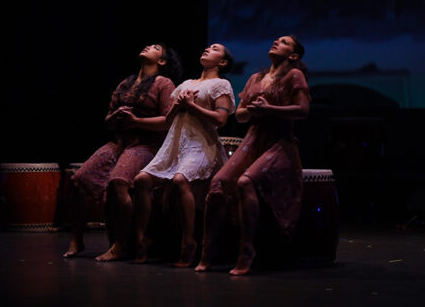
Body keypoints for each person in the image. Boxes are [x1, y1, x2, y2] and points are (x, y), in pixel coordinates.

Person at [195, 35, 310, 276]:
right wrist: (255, 110)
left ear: (294, 55)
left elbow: (302, 110)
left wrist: (270, 109)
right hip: (254, 138)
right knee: (218, 182)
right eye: (276, 40)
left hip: (280, 141)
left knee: (246, 181)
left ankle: (246, 251)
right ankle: (207, 251)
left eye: (284, 42)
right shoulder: (255, 78)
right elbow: (240, 116)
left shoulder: (294, 76)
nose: (276, 42)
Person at [63, 44, 182, 260]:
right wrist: (115, 117)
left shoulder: (163, 83)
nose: (147, 46)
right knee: (80, 179)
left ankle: (121, 245)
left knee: (119, 181)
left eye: (154, 47)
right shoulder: (126, 84)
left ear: (162, 61)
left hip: (147, 144)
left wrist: (136, 121)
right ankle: (76, 239)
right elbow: (108, 120)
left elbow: (168, 121)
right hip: (120, 142)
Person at [132, 43, 236, 267]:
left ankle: (189, 241)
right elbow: (168, 121)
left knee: (181, 179)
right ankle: (142, 239)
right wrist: (179, 105)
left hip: (201, 145)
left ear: (223, 62)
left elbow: (221, 120)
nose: (207, 49)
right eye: (207, 47)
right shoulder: (186, 84)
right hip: (176, 144)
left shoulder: (221, 84)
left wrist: (191, 105)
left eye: (215, 49)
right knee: (141, 180)